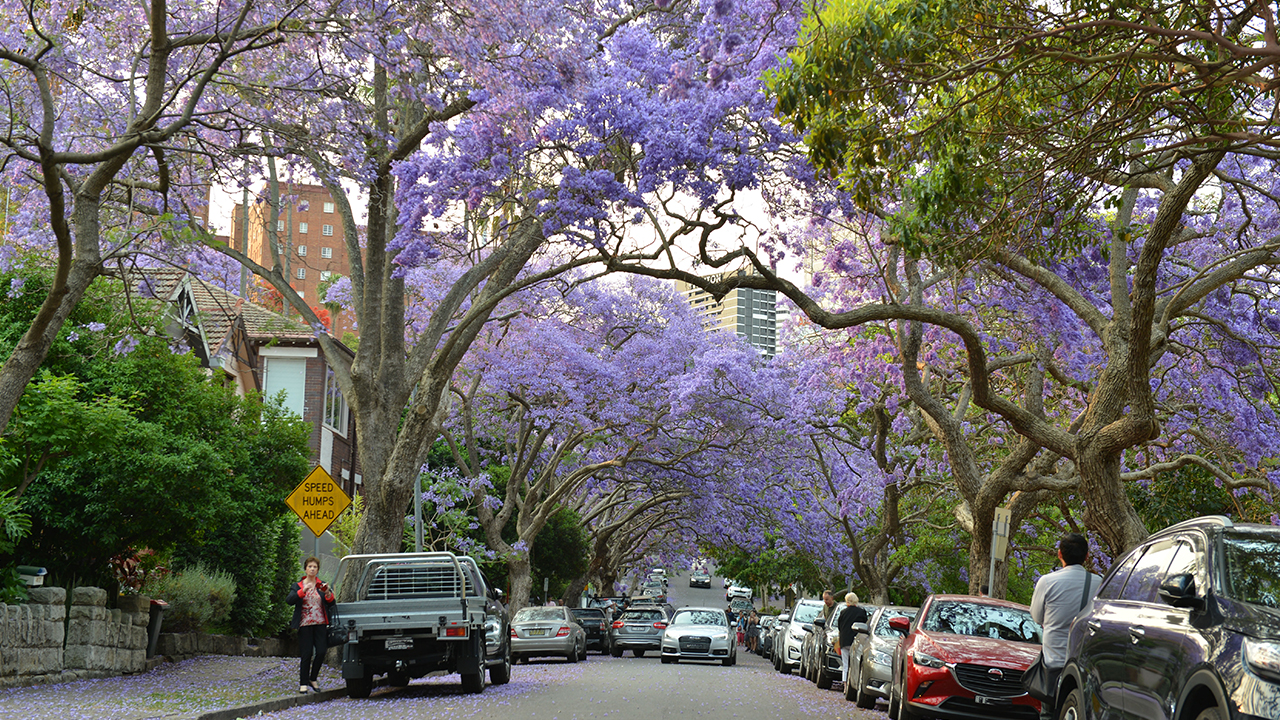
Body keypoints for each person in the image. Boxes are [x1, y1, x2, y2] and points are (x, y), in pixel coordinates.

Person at [1030, 533, 1102, 720]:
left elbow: (1037, 617)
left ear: (1059, 554)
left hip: (1053, 661)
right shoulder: (1099, 583)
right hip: (1082, 665)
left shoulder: (1047, 581)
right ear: (1087, 557)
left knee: (1048, 713)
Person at [285, 556, 335, 694]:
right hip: (305, 623)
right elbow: (289, 600)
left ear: (318, 570)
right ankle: (303, 683)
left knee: (321, 651)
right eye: (310, 567)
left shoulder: (321, 585)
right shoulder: (298, 585)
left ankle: (313, 679)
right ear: (306, 569)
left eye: (315, 567)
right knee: (306, 654)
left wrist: (327, 593)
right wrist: (303, 591)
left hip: (320, 623)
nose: (312, 569)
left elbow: (331, 603)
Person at [836, 592, 868, 688]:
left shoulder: (843, 612)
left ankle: (845, 685)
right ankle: (854, 684)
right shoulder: (861, 612)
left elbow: (839, 626)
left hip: (844, 640)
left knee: (845, 664)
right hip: (855, 641)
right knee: (855, 664)